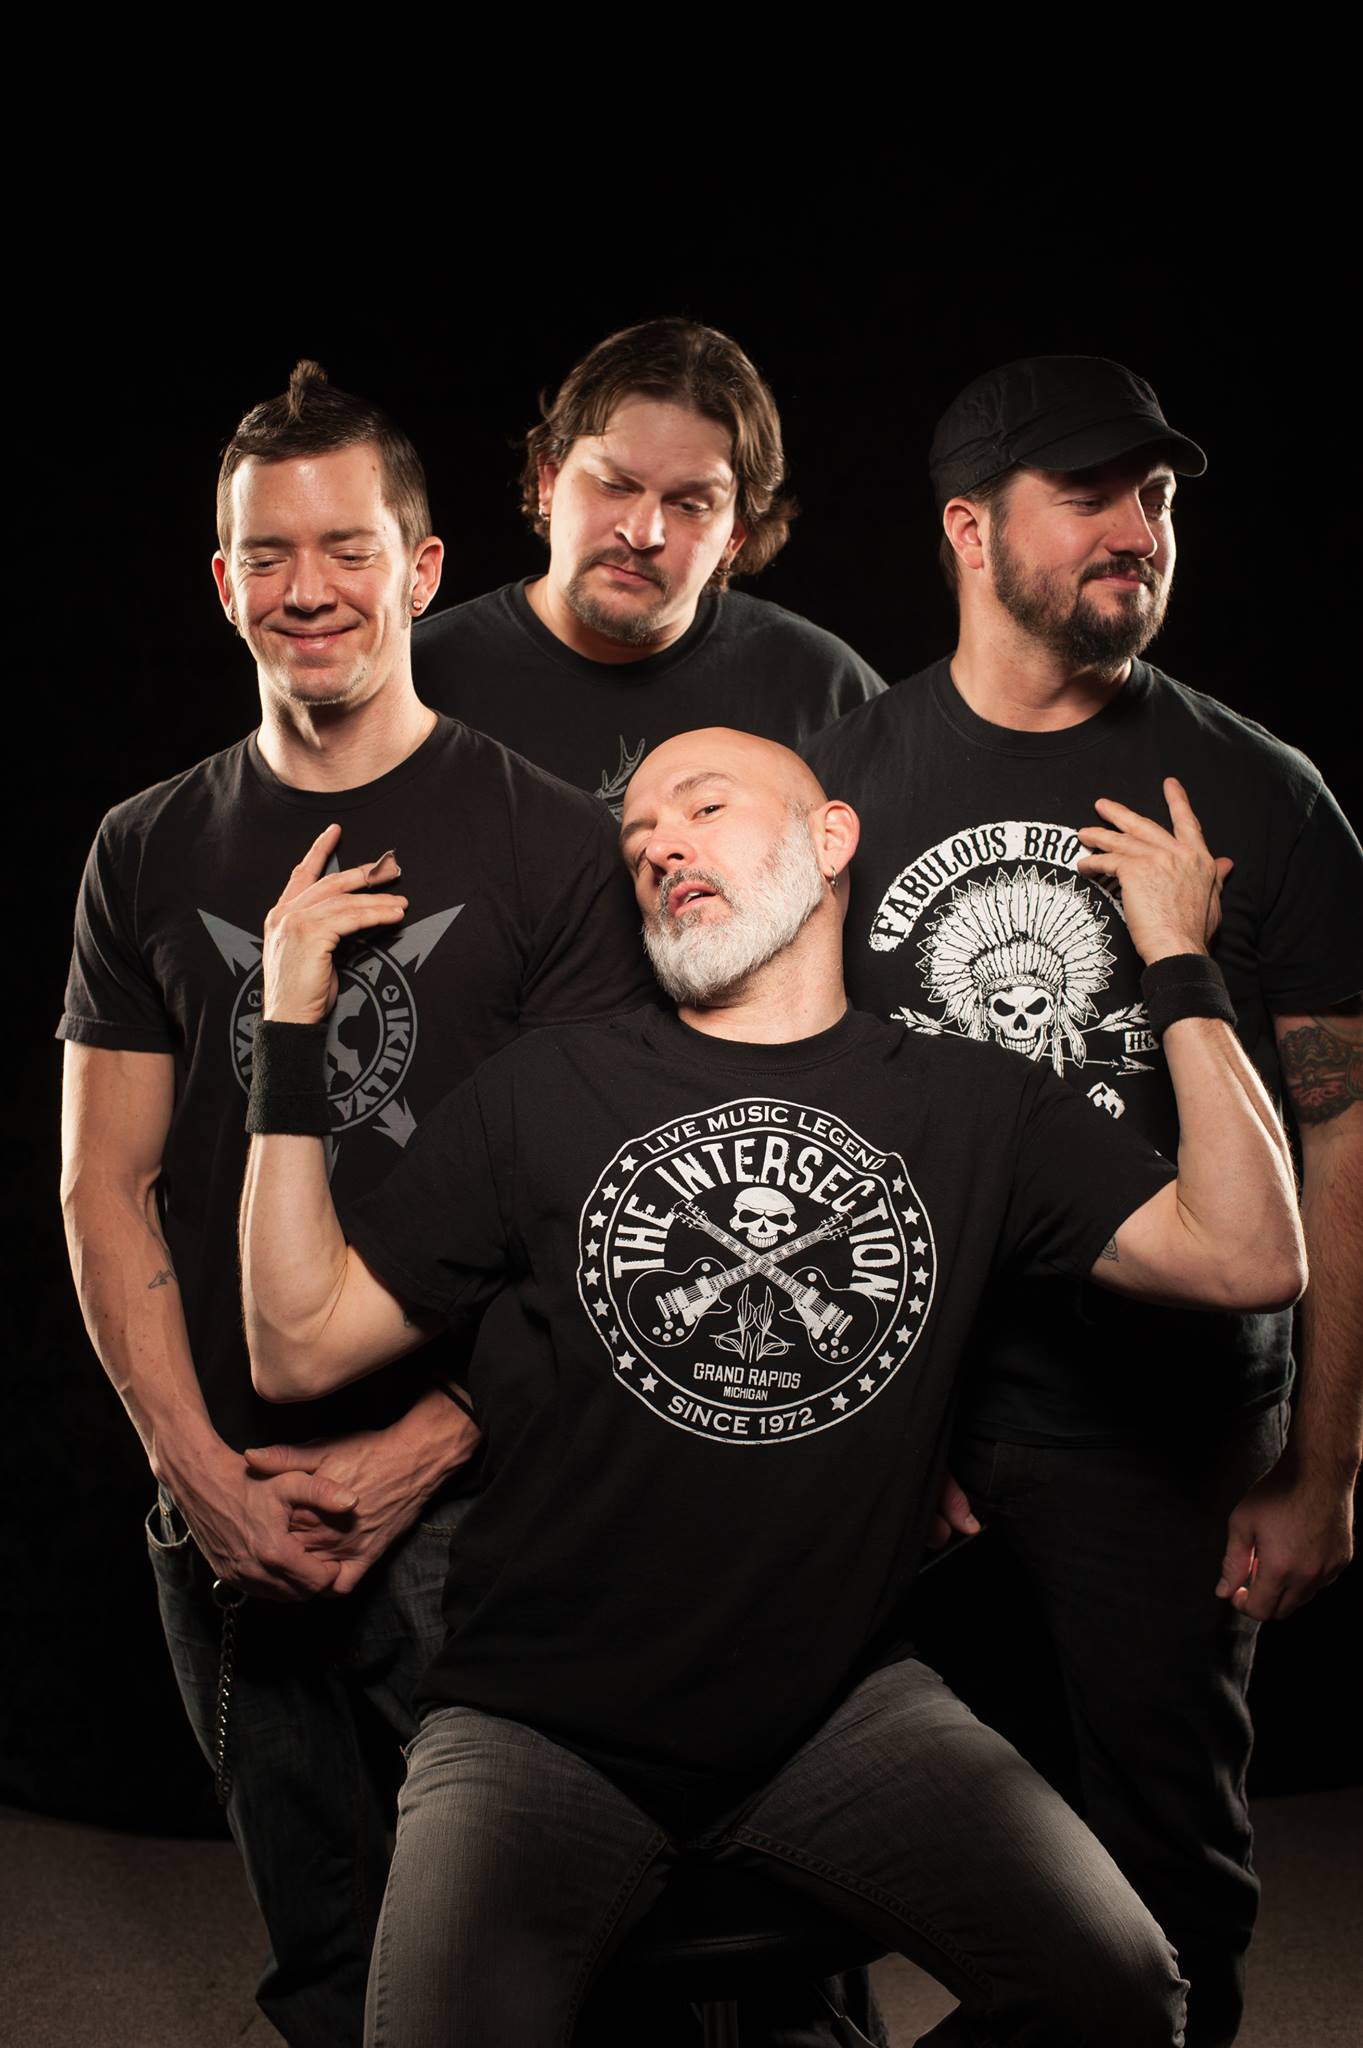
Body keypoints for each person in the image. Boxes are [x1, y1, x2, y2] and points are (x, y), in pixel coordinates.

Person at [239, 724, 1306, 2048]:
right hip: (536, 1724)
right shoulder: (545, 1088)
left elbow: (1249, 1254)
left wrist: (1179, 961)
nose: (659, 845)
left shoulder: (975, 1104)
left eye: (701, 806)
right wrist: (291, 1018)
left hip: (839, 1711)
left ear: (830, 837)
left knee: (1121, 1991)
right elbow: (297, 1342)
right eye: (637, 835)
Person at [57, 361, 656, 2048]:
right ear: (222, 579)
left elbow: (599, 1223)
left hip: (480, 1506)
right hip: (228, 1496)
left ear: (422, 566)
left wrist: (418, 1454)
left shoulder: (552, 845)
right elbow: (101, 1184)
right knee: (322, 1967)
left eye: (346, 547)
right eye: (267, 553)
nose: (306, 587)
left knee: (525, 1973)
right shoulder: (144, 846)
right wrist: (194, 1472)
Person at [803, 354, 1363, 2047]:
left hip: (1165, 1427)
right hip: (912, 1419)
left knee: (1166, 1879)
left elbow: (1338, 1145)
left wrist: (1324, 1461)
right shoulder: (840, 788)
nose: (1138, 529)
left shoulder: (1259, 791)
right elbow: (804, 1124)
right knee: (815, 1835)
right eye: (1090, 494)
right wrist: (873, 1414)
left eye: (1158, 495)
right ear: (968, 529)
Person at [411, 317, 884, 811]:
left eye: (690, 505)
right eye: (614, 486)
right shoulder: (415, 680)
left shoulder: (822, 688)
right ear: (548, 480)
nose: (642, 534)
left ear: (735, 537)